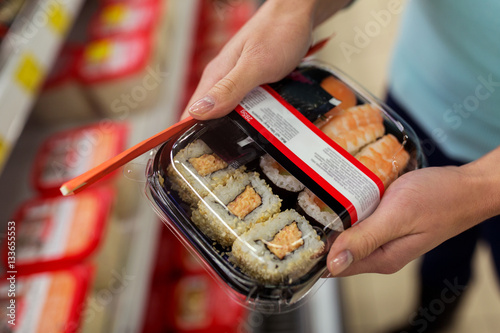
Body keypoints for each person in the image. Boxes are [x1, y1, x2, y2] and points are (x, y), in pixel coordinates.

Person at [183, 0, 500, 331]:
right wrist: (293, 11)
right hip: (415, 94)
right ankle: (431, 319)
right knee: (441, 254)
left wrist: (479, 190)